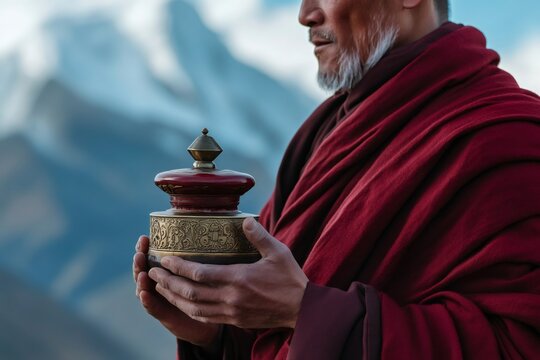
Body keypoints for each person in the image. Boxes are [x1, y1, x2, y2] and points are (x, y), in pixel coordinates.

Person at [133, 0, 540, 358]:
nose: (305, 15)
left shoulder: (508, 137)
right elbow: (273, 328)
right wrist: (216, 332)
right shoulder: (323, 133)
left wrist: (304, 311)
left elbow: (518, 345)